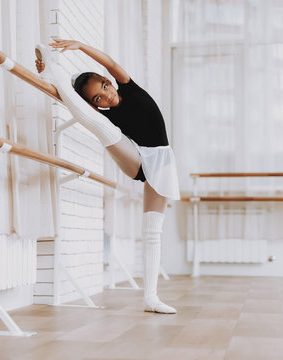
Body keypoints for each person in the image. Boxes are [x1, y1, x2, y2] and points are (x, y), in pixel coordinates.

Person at [35, 39, 180, 314]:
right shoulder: (106, 115)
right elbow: (81, 111)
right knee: (102, 127)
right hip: (136, 159)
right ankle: (54, 71)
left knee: (153, 231)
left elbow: (110, 63)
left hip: (161, 163)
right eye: (98, 99)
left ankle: (151, 297)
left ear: (109, 81)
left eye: (104, 87)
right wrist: (53, 80)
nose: (106, 97)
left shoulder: (128, 86)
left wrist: (79, 46)